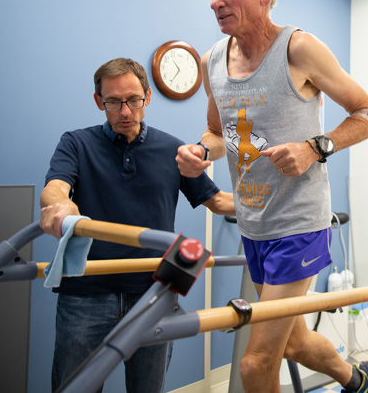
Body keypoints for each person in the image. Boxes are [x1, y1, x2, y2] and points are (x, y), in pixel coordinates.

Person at [176, 0, 368, 393]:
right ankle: (357, 378)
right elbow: (216, 132)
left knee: (256, 363)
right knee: (294, 342)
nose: (215, 1)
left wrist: (314, 148)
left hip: (298, 224)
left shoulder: (299, 48)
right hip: (254, 225)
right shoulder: (214, 59)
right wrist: (199, 152)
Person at [40, 57, 235, 393]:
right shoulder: (76, 143)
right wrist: (59, 206)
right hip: (87, 293)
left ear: (147, 96)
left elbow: (218, 202)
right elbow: (56, 187)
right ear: (99, 101)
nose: (125, 112)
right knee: (73, 388)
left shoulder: (173, 149)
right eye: (114, 102)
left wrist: (272, 201)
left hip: (155, 292)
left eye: (133, 100)